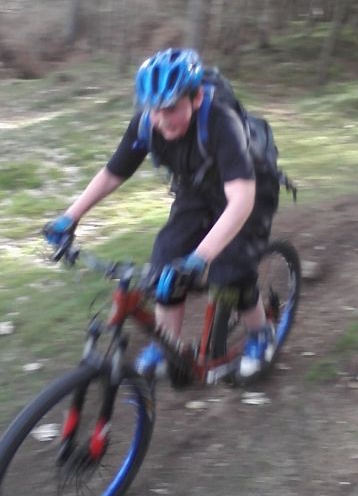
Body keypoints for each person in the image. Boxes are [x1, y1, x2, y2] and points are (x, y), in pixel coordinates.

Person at [44, 48, 276, 379]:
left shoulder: (221, 122)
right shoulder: (146, 125)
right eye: (155, 109)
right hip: (196, 190)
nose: (162, 119)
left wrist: (200, 258)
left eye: (171, 108)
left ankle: (260, 333)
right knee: (165, 263)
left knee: (230, 274)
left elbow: (240, 200)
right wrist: (69, 218)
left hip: (249, 190)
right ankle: (168, 344)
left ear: (196, 98)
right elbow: (113, 173)